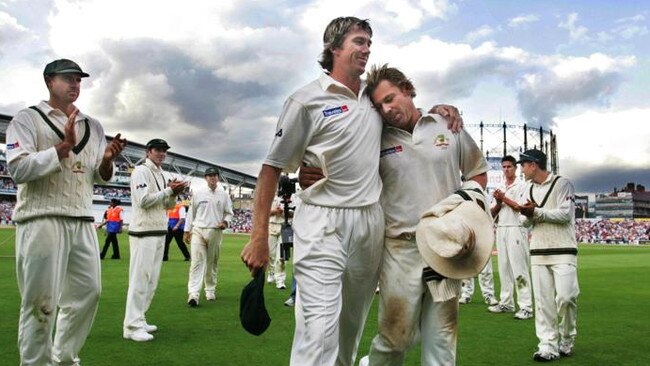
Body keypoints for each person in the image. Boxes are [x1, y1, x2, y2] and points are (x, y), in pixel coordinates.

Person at [241, 17, 461, 366]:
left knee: (349, 329)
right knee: (320, 330)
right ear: (333, 48)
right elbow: (271, 168)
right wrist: (257, 237)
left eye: (369, 41)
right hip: (323, 221)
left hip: (370, 223)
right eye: (359, 41)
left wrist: (441, 111)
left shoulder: (373, 102)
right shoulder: (305, 100)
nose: (367, 48)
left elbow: (406, 121)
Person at [314, 64, 488, 365]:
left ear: (407, 89)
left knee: (442, 338)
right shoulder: (377, 138)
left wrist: (462, 211)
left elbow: (477, 173)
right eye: (380, 106)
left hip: (445, 247)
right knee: (396, 338)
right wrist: (314, 172)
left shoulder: (446, 125)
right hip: (400, 248)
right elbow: (340, 168)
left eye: (391, 98)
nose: (387, 109)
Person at [7, 58, 126, 364]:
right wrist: (61, 148)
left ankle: (64, 357)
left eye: (78, 80)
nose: (75, 84)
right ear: (49, 81)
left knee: (88, 294)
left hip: (82, 219)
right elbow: (18, 168)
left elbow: (98, 176)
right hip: (41, 218)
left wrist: (108, 159)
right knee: (40, 301)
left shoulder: (93, 125)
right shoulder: (27, 119)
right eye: (68, 79)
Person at [123, 138, 187, 342]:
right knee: (140, 279)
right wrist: (169, 191)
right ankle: (131, 326)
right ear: (148, 151)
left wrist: (175, 193)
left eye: (164, 151)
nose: (162, 154)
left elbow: (167, 206)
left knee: (151, 281)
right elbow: (143, 201)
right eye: (158, 150)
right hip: (144, 232)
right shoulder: (141, 171)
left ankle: (139, 319)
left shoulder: (161, 174)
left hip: (159, 231)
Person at [518, 149, 579, 362]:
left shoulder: (563, 183)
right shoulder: (527, 189)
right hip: (538, 251)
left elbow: (564, 214)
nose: (521, 169)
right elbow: (523, 222)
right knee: (543, 303)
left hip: (564, 250)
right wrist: (527, 214)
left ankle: (567, 338)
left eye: (523, 164)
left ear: (533, 165)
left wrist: (536, 212)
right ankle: (547, 345)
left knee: (566, 298)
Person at [488, 155, 533, 320]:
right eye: (504, 167)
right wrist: (499, 203)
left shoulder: (522, 186)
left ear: (515, 168)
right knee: (504, 268)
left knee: (519, 268)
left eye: (509, 167)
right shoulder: (500, 187)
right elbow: (494, 212)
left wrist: (503, 198)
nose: (506, 169)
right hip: (501, 228)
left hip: (516, 228)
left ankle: (526, 306)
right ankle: (506, 302)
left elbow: (522, 208)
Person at [184, 167, 234, 306]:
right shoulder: (198, 193)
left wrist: (225, 222)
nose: (212, 178)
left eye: (215, 175)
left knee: (212, 262)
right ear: (205, 178)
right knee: (196, 263)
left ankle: (210, 289)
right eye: (210, 175)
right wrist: (187, 231)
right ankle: (193, 294)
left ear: (218, 178)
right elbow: (191, 213)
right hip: (198, 230)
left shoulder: (224, 195)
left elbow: (229, 213)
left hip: (215, 231)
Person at [267, 195, 287, 289]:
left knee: (282, 256)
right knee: (271, 254)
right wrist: (274, 211)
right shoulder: (271, 196)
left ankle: (280, 280)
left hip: (285, 228)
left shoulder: (293, 196)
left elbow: (294, 213)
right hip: (271, 226)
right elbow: (265, 212)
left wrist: (283, 212)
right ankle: (271, 271)